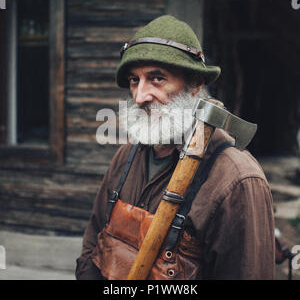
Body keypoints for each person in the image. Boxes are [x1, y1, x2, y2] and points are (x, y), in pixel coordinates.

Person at [75, 15, 275, 280]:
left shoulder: (236, 180)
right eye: (134, 80)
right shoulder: (127, 156)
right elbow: (92, 245)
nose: (139, 96)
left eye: (157, 78)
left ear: (195, 85)